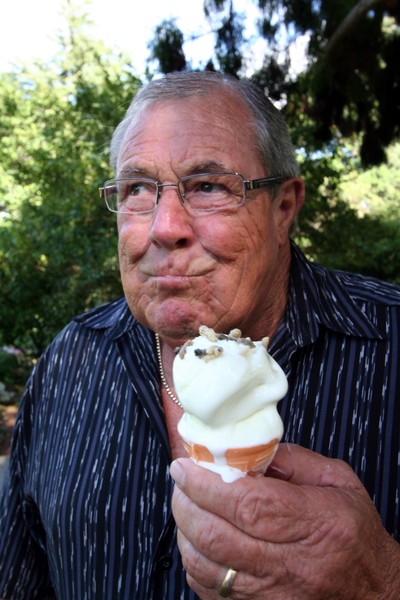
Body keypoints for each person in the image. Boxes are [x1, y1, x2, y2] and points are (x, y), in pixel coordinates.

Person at [0, 70, 399, 600]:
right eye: (137, 188)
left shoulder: (388, 346)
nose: (164, 227)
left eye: (209, 186)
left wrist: (383, 582)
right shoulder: (69, 362)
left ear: (284, 208)